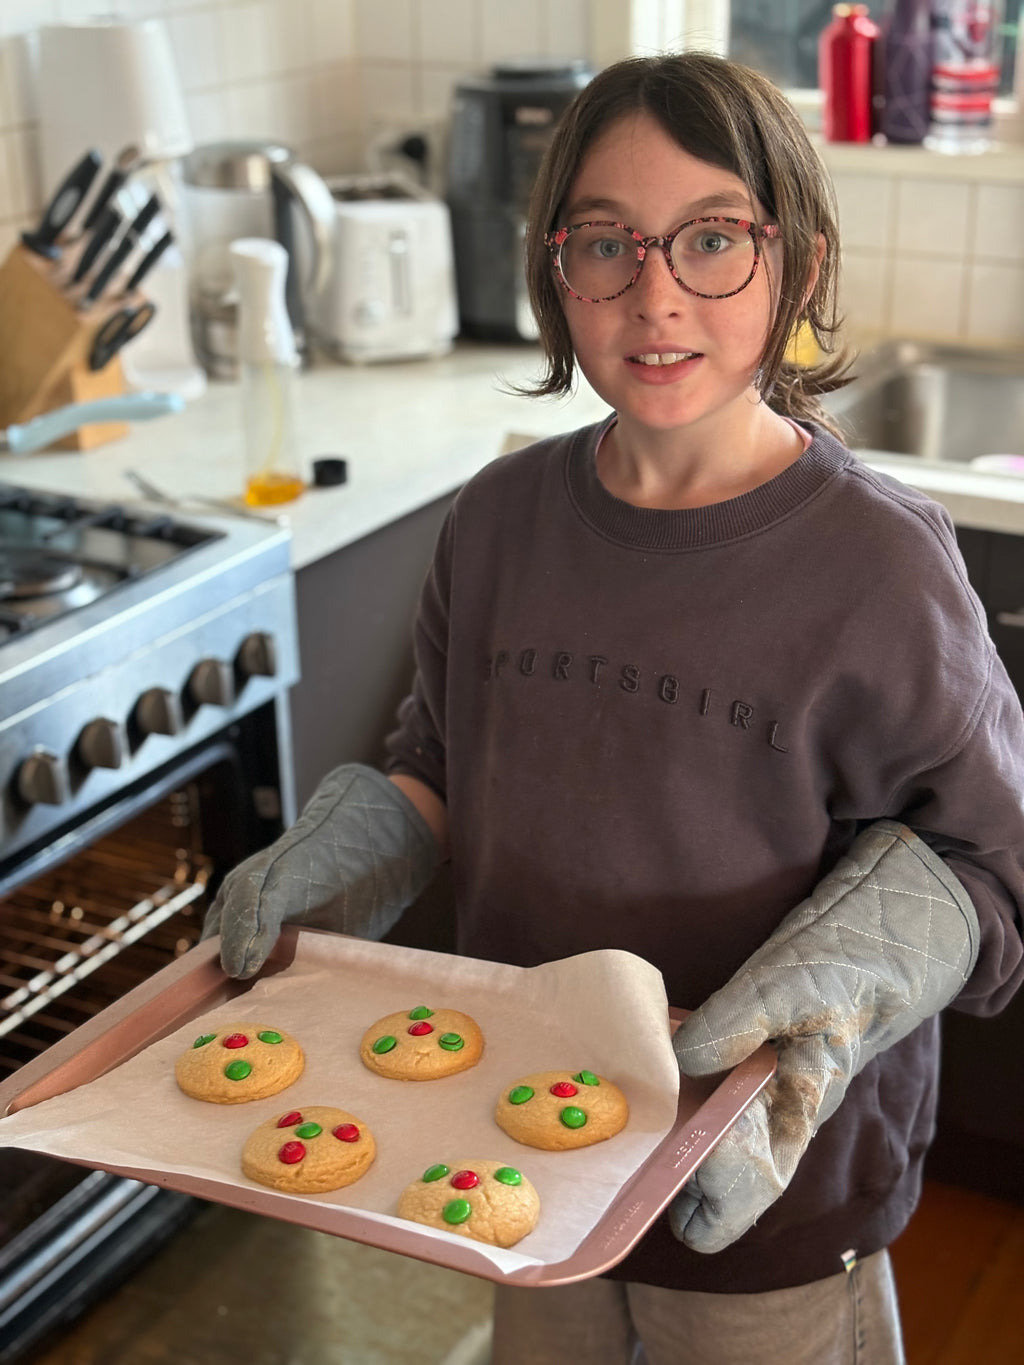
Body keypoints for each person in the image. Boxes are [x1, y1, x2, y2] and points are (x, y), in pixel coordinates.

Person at [204, 51, 1024, 1365]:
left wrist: (832, 993)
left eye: (712, 239)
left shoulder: (879, 568)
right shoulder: (499, 520)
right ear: (553, 271)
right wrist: (334, 859)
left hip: (767, 1212)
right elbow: (438, 763)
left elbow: (994, 868)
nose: (655, 296)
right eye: (606, 244)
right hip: (518, 1153)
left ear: (798, 266)